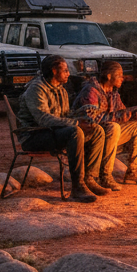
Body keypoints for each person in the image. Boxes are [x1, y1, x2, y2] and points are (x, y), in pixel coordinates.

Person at [17, 55, 105, 201]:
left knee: (97, 131)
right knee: (75, 132)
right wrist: (77, 123)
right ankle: (77, 186)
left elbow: (65, 115)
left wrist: (82, 116)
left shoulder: (60, 90)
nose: (68, 74)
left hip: (53, 133)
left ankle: (89, 178)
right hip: (33, 136)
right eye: (65, 70)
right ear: (54, 71)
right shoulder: (36, 89)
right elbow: (43, 119)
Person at [72, 61, 137, 189]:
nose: (123, 78)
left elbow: (121, 113)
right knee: (113, 127)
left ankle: (133, 171)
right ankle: (105, 175)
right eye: (119, 75)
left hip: (110, 134)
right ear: (109, 76)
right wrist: (123, 115)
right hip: (92, 136)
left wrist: (136, 112)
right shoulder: (91, 91)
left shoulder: (113, 92)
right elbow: (92, 120)